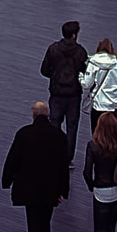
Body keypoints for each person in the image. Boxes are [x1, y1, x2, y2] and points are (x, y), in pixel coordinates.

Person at [1, 100, 71, 232]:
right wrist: (63, 190)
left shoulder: (24, 133)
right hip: (50, 190)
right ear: (48, 115)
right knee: (45, 226)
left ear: (33, 115)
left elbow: (13, 159)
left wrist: (7, 181)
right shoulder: (58, 136)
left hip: (29, 189)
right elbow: (63, 165)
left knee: (33, 228)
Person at [40, 20, 88, 158]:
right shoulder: (81, 51)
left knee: (54, 123)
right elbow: (85, 72)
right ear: (74, 35)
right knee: (72, 127)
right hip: (73, 94)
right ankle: (68, 158)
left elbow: (44, 70)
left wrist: (54, 76)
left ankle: (53, 155)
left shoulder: (53, 49)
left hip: (56, 92)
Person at [80, 40, 117, 154]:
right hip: (115, 106)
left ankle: (97, 158)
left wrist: (80, 77)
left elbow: (86, 84)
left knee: (97, 136)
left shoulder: (93, 63)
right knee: (114, 135)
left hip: (98, 105)